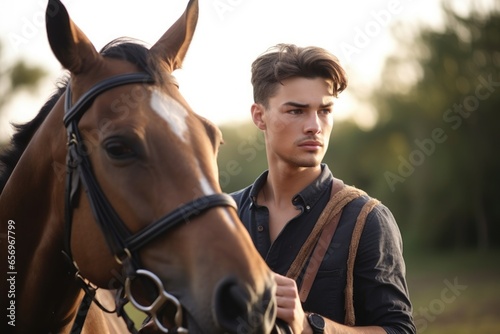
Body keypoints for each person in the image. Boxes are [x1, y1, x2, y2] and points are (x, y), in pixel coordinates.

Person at [231, 44, 416, 334]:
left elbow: (399, 330)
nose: (314, 126)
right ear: (259, 116)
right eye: (296, 111)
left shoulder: (366, 219)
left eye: (325, 110)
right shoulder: (226, 218)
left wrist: (309, 326)